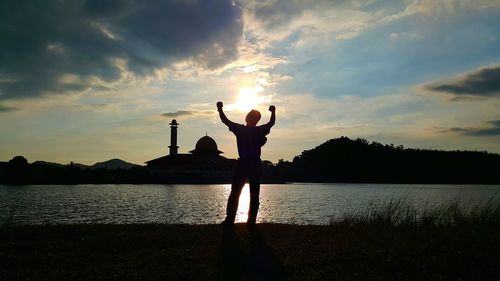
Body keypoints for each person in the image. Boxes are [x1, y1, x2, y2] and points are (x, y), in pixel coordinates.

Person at [217, 101, 276, 226]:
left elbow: (225, 120)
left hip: (247, 164)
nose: (253, 119)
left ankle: (237, 220)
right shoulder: (256, 131)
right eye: (254, 117)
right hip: (250, 164)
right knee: (243, 193)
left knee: (240, 193)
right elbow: (271, 123)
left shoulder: (242, 129)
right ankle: (243, 220)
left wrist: (220, 109)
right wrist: (273, 112)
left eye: (255, 117)